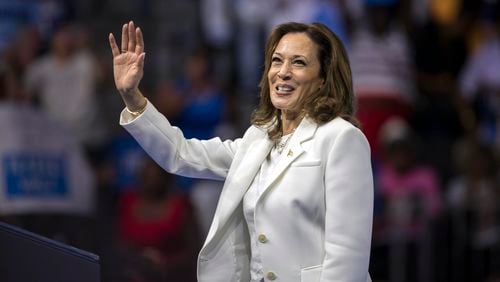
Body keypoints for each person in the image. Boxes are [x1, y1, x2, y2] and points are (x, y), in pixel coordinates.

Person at [109, 20, 373, 282]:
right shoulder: (258, 138)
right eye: (277, 60)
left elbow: (347, 255)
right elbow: (182, 154)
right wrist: (133, 96)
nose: (282, 72)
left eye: (299, 62)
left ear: (323, 79)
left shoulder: (341, 138)